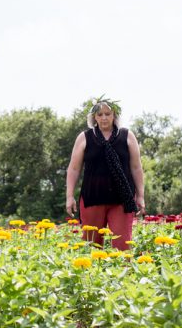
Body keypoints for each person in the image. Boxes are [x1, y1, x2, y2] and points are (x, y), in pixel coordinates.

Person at [66, 96, 145, 250]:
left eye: (107, 114)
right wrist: (69, 196)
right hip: (92, 199)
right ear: (94, 117)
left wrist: (141, 196)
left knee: (123, 247)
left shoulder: (127, 136)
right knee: (91, 247)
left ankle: (125, 273)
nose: (104, 118)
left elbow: (136, 167)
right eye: (100, 114)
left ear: (114, 115)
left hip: (122, 201)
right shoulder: (84, 138)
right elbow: (74, 169)